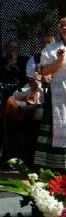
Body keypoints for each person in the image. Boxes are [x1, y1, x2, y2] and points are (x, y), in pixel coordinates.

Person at [34, 17, 66, 170]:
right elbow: (42, 71)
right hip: (58, 92)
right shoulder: (51, 49)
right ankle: (57, 168)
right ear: (59, 29)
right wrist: (57, 63)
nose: (65, 28)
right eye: (62, 26)